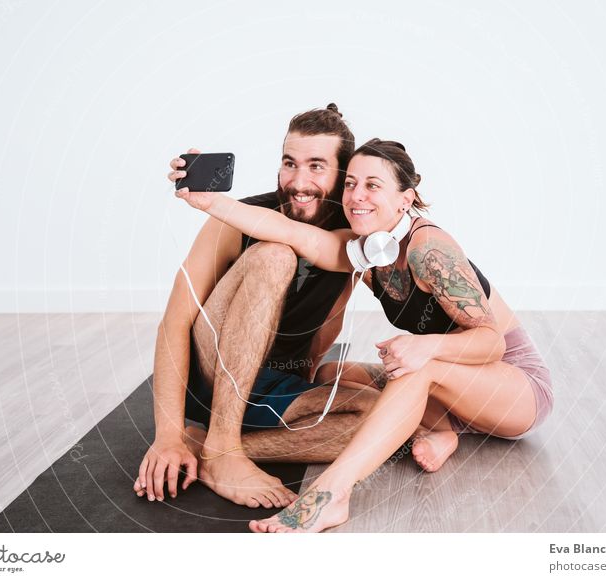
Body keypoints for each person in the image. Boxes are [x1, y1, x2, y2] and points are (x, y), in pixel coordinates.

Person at [174, 138, 554, 532]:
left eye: (373, 185)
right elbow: (292, 233)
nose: (357, 195)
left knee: (417, 372)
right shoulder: (370, 252)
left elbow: (491, 342)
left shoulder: (429, 250)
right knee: (331, 373)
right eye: (351, 183)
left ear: (405, 200)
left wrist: (425, 346)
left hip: (513, 386)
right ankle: (440, 432)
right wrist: (209, 202)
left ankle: (330, 496)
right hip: (456, 386)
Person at [133, 105, 381, 510]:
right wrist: (167, 435)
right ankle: (224, 443)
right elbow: (174, 323)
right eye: (289, 164)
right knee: (275, 255)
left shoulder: (352, 235)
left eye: (317, 166)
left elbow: (331, 317)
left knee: (379, 419)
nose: (299, 182)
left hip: (269, 386)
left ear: (342, 175)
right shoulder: (236, 219)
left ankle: (213, 449)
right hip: (212, 373)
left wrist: (307, 385)